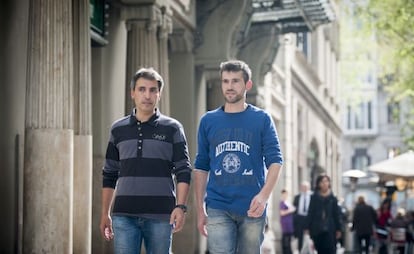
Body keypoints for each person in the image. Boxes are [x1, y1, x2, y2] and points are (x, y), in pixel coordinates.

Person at [194, 60, 284, 254]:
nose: (229, 86)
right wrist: (200, 208)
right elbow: (201, 166)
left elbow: (275, 161)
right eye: (225, 81)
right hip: (218, 205)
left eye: (235, 81)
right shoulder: (208, 121)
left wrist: (264, 196)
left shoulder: (262, 119)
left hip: (252, 206)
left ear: (247, 85)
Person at [100, 67, 192, 254]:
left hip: (161, 215)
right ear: (132, 93)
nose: (147, 95)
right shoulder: (118, 129)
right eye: (142, 89)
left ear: (159, 94)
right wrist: (105, 213)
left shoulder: (173, 128)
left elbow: (183, 170)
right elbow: (109, 173)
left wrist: (180, 207)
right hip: (124, 215)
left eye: (152, 90)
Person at [304, 174, 341, 254]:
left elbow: (336, 214)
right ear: (318, 184)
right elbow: (310, 212)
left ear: (329, 183)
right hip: (317, 229)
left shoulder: (333, 198)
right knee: (320, 250)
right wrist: (307, 227)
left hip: (330, 229)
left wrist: (339, 229)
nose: (324, 184)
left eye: (326, 181)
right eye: (322, 182)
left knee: (331, 250)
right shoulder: (314, 197)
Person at [293, 181, 311, 251]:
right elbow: (294, 208)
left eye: (306, 187)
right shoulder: (297, 197)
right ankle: (300, 250)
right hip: (300, 219)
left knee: (309, 236)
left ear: (309, 188)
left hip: (309, 218)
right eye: (303, 187)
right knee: (300, 237)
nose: (304, 189)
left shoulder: (312, 196)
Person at [280, 189, 296, 254]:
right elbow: (282, 213)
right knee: (285, 241)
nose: (285, 196)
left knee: (289, 241)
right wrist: (290, 210)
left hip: (289, 224)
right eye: (284, 194)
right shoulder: (282, 203)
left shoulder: (287, 202)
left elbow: (294, 209)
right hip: (285, 223)